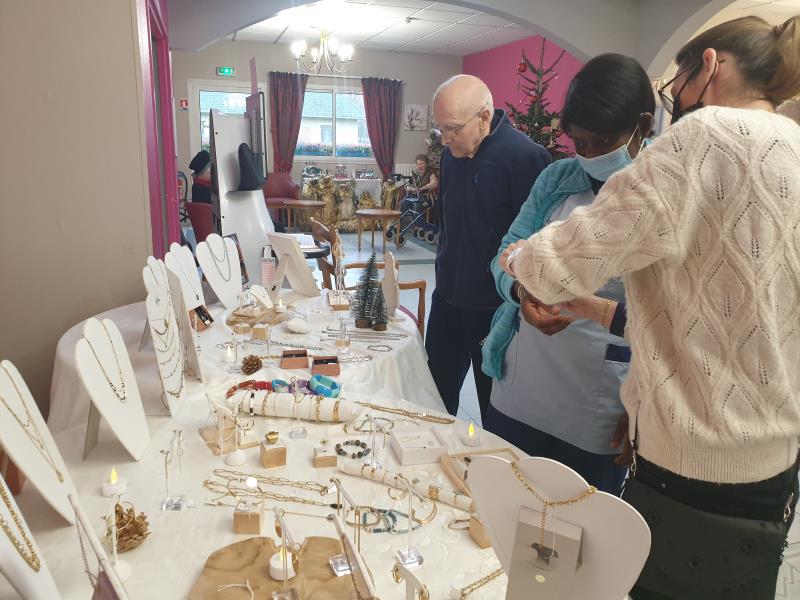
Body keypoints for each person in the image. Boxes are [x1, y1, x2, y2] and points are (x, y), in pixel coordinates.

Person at [500, 16, 800, 600]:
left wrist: (516, 259)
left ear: (707, 66)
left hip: (692, 460)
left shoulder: (704, 136)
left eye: (677, 83)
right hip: (772, 466)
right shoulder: (792, 146)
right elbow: (710, 316)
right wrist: (591, 309)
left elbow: (556, 262)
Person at [482, 54, 654, 494]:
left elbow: (668, 319)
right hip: (523, 383)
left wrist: (643, 404)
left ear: (644, 125)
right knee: (505, 498)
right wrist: (520, 292)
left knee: (581, 517)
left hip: (600, 399)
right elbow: (504, 256)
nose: (589, 154)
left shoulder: (659, 196)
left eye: (602, 141)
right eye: (579, 141)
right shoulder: (558, 179)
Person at [426, 74, 551, 421]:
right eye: (440, 129)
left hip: (493, 310)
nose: (445, 139)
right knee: (435, 400)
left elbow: (534, 244)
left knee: (493, 408)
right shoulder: (451, 154)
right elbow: (448, 224)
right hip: (447, 300)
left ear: (484, 117)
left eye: (452, 128)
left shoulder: (526, 158)